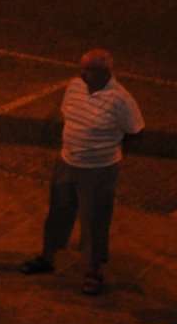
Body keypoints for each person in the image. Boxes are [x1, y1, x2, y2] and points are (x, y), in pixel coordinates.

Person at [21, 49, 145, 294]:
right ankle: (48, 257)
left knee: (94, 220)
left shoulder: (121, 99)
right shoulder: (75, 87)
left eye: (88, 69)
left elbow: (136, 132)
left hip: (98, 171)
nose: (82, 73)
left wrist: (110, 154)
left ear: (105, 72)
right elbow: (69, 117)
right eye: (82, 68)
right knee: (58, 212)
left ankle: (93, 271)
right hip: (68, 163)